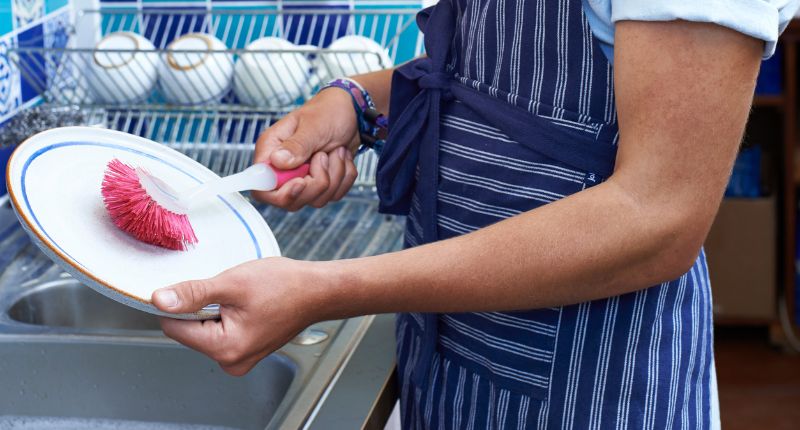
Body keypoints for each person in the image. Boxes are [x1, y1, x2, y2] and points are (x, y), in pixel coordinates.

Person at [152, 0, 798, 428]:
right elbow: (496, 80)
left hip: (589, 381)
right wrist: (353, 102)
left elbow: (656, 219)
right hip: (454, 347)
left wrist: (328, 288)